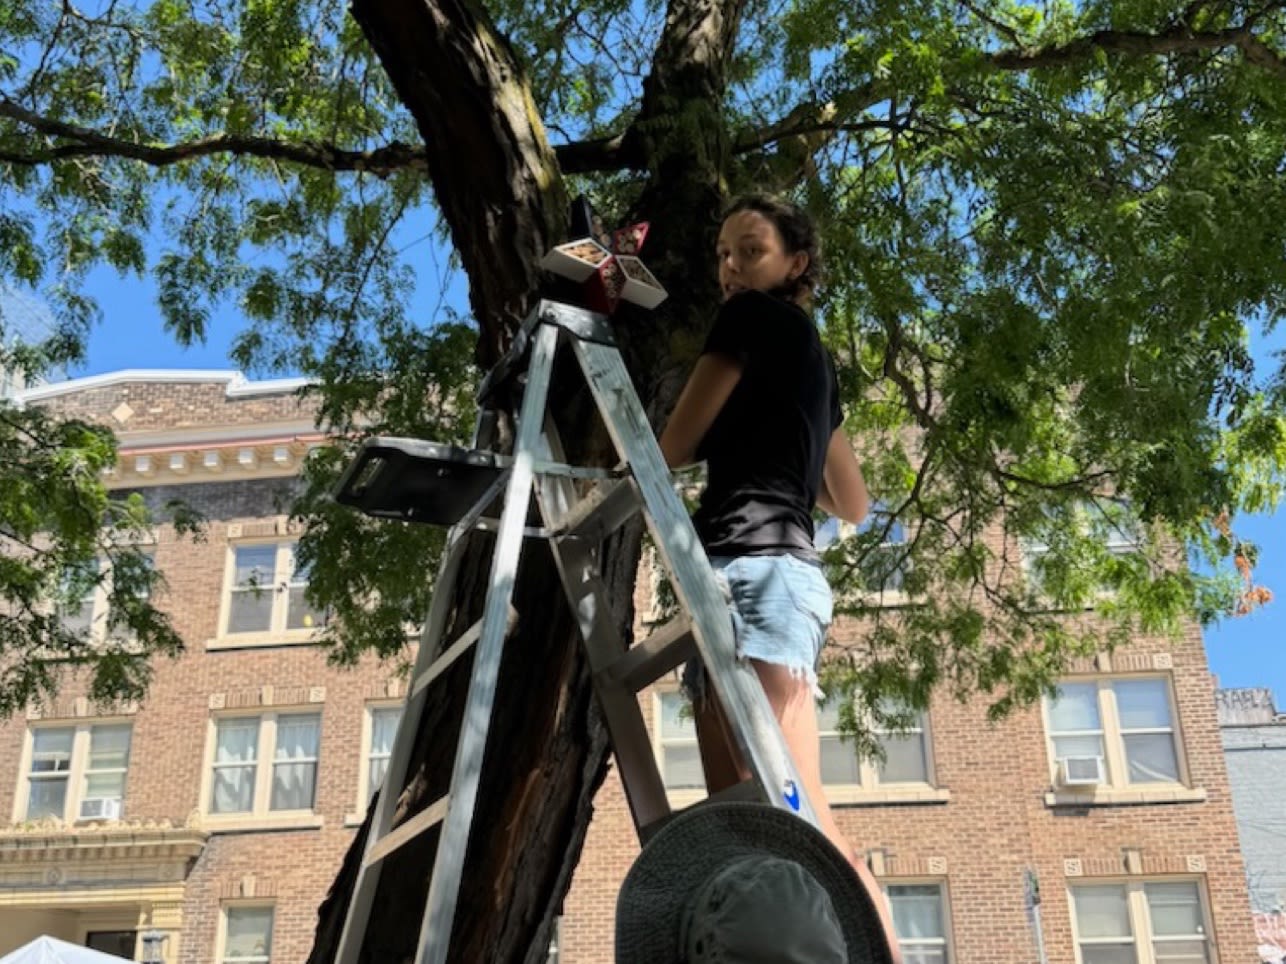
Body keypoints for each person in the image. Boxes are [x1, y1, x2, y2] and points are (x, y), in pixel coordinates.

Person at [658, 194, 895, 934]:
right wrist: (783, 445)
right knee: (752, 821)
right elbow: (853, 502)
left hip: (753, 573)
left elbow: (671, 448)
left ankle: (865, 944)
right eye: (723, 254)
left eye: (750, 250)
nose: (730, 267)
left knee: (790, 812)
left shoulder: (749, 319)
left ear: (797, 263)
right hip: (768, 577)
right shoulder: (812, 360)